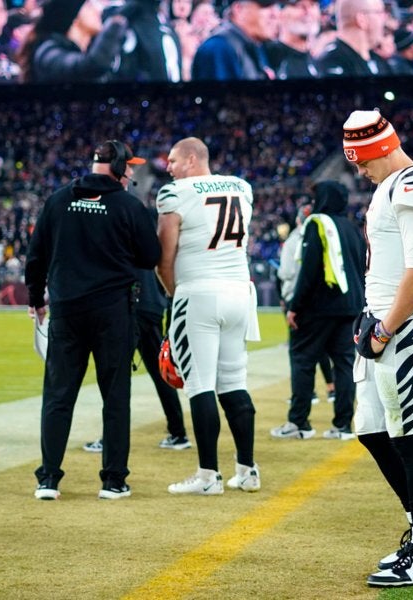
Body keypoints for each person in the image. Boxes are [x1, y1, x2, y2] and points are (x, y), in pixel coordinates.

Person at [342, 109, 413, 586]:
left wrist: (385, 328)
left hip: (403, 325)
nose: (360, 171)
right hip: (385, 320)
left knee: (408, 434)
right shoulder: (394, 185)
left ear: (380, 149)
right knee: (370, 428)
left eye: (362, 161)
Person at [24, 140, 161, 501]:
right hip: (113, 313)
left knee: (57, 396)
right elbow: (150, 257)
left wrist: (36, 299)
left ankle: (48, 479)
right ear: (117, 167)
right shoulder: (129, 205)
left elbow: (35, 256)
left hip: (66, 311)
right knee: (115, 397)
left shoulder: (58, 200)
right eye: (128, 166)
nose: (131, 173)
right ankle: (113, 481)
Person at [156, 137, 262, 494]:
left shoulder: (175, 193)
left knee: (200, 385)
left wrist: (177, 294)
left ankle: (207, 476)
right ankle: (247, 470)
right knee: (234, 382)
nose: (168, 167)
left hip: (199, 292)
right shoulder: (241, 187)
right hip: (239, 292)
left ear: (191, 159)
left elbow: (164, 259)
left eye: (173, 160)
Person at [270, 180, 365, 440]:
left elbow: (308, 270)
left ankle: (298, 422)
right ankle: (343, 426)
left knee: (303, 361)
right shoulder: (352, 228)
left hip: (319, 308)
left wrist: (294, 307)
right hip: (350, 308)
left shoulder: (317, 224)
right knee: (344, 365)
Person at [82, 260, 193, 454]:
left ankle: (111, 438)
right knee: (160, 373)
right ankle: (178, 432)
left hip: (130, 305)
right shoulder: (152, 241)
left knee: (117, 376)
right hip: (152, 306)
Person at [17, 0, 127, 83]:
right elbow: (91, 66)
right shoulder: (48, 52)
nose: (98, 10)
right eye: (89, 5)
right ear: (73, 15)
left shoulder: (83, 51)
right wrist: (118, 21)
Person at [191, 0, 276, 80]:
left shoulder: (253, 45)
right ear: (239, 9)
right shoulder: (220, 47)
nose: (274, 14)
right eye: (265, 6)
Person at [316, 0, 391, 77]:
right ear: (362, 19)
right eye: (380, 13)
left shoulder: (378, 61)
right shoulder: (333, 63)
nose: (385, 19)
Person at [265, 0, 320, 79]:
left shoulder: (323, 59)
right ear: (280, 13)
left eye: (312, 5)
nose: (308, 11)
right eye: (299, 5)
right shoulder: (267, 55)